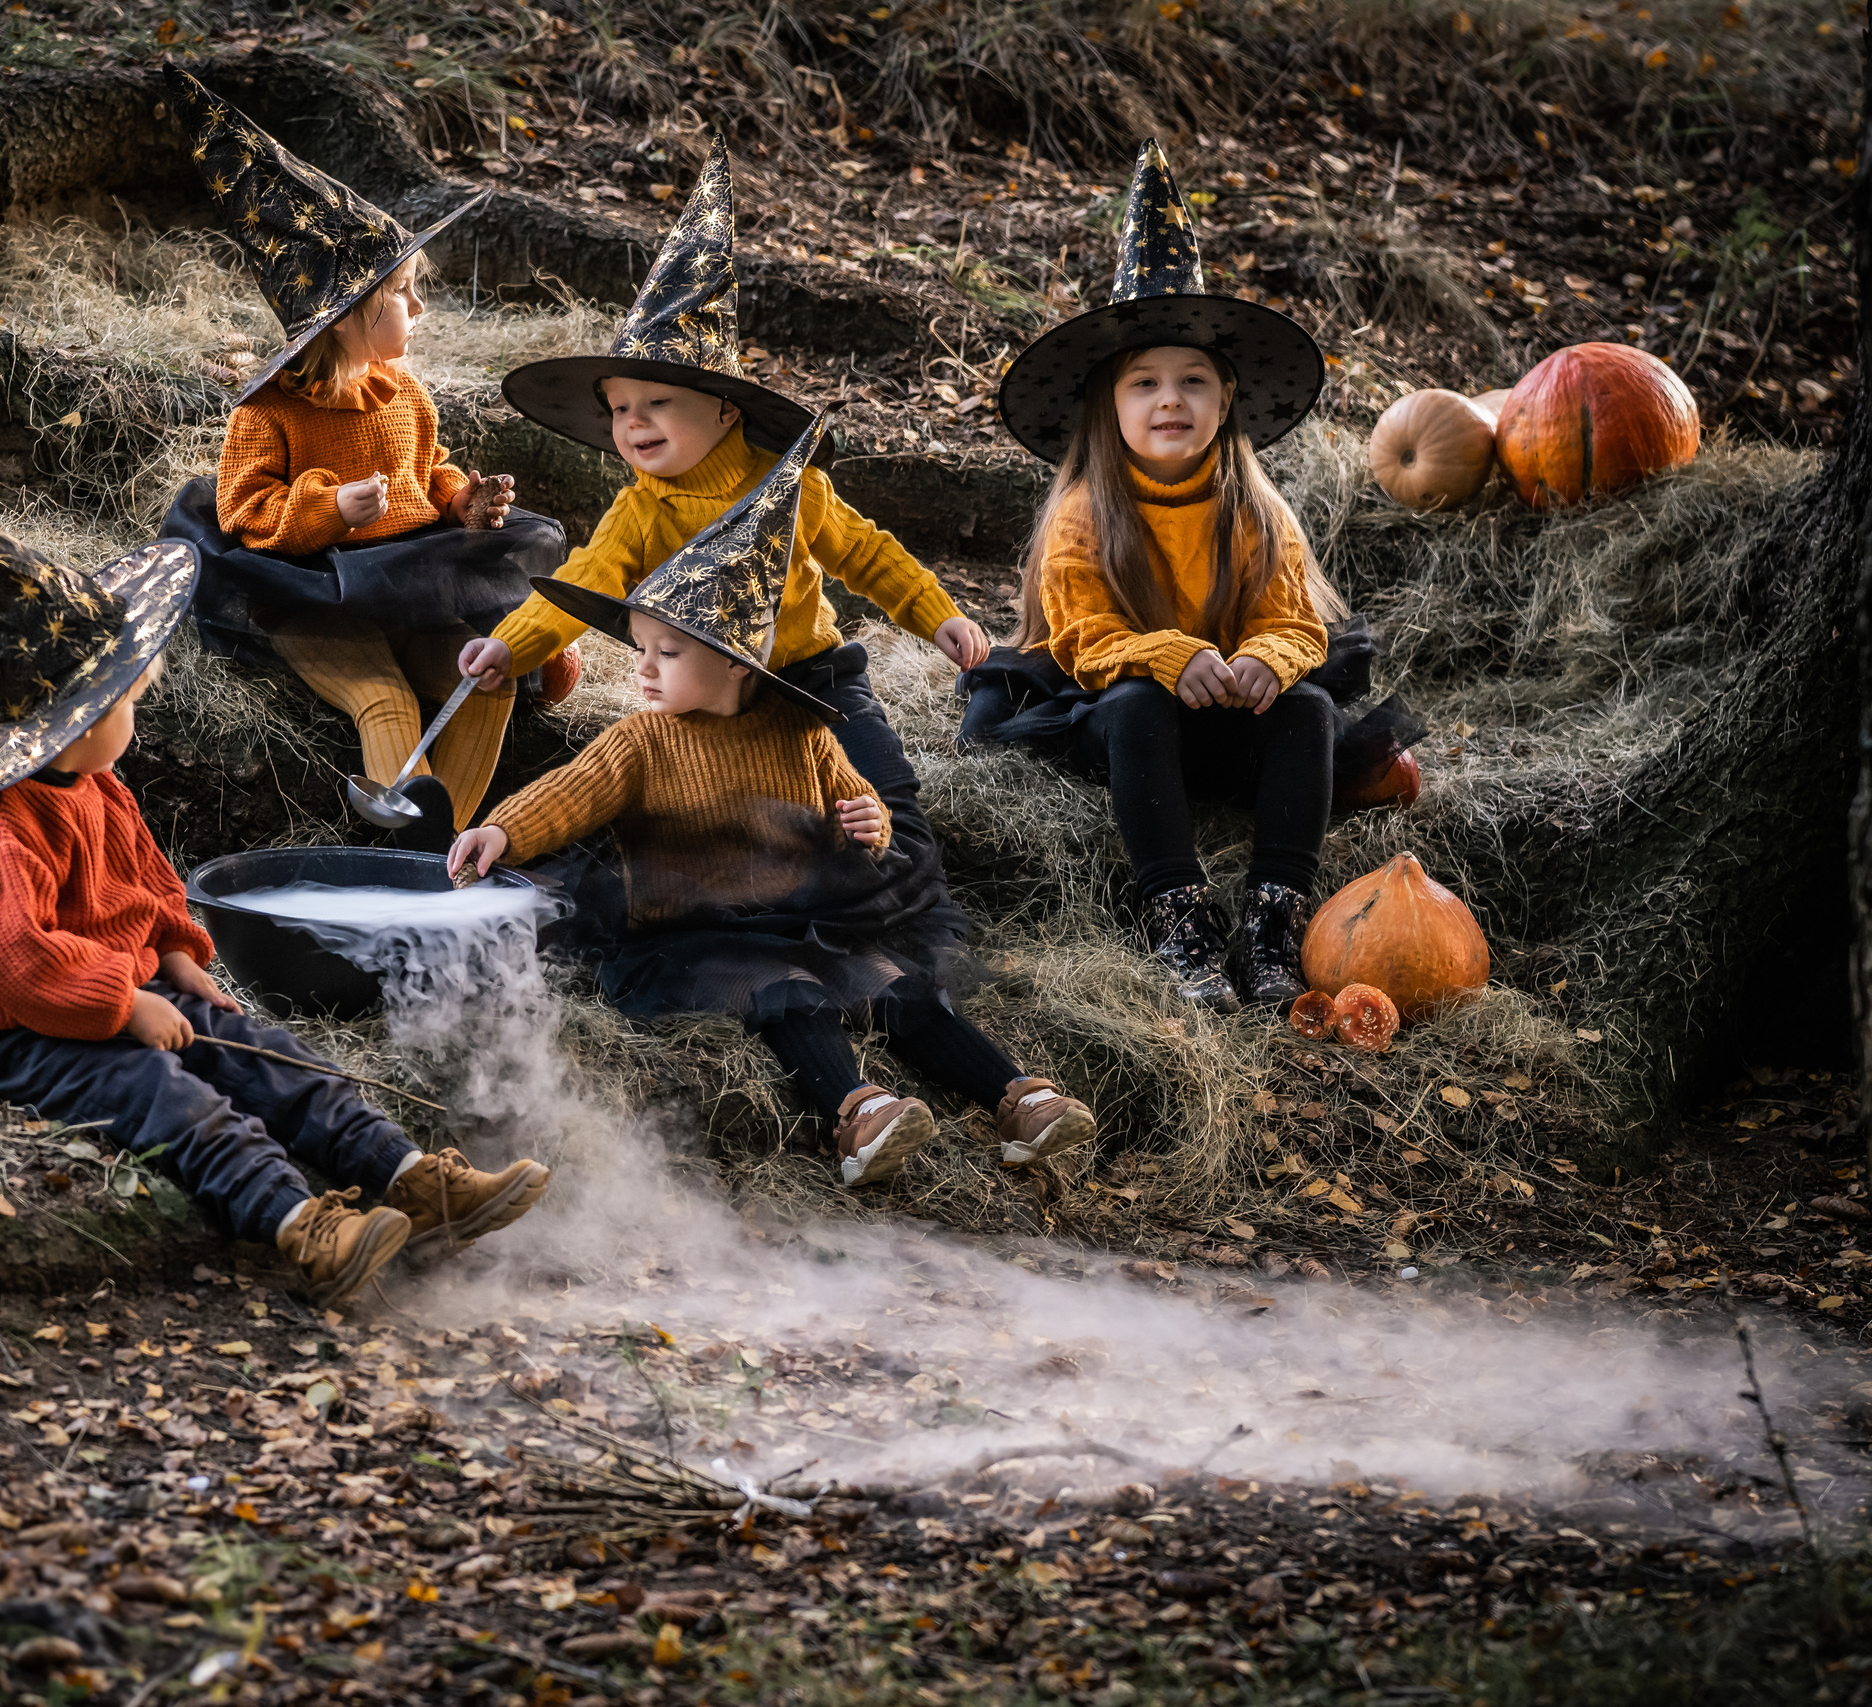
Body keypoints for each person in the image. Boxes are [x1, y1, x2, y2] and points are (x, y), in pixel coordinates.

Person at [0, 451, 550, 1307]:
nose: (134, 718)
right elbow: (22, 966)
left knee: (268, 1055)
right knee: (163, 1096)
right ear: (72, 725)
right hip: (21, 1032)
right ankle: (303, 1227)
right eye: (127, 705)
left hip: (115, 987)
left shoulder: (95, 786)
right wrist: (127, 1004)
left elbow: (145, 886)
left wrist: (178, 961)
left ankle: (404, 1174)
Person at [449, 416, 1095, 1188]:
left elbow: (856, 795)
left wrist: (870, 819)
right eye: (642, 650)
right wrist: (500, 830)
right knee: (789, 998)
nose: (646, 671)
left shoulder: (803, 732)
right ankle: (858, 1112)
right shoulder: (642, 741)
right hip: (697, 933)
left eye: (669, 654)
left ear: (739, 669)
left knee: (900, 988)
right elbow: (566, 797)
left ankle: (1019, 1098)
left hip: (798, 919)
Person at [461, 136, 985, 936]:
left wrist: (937, 613)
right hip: (705, 691)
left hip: (809, 681)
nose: (632, 424)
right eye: (619, 407)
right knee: (699, 819)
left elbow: (867, 552)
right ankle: (745, 926)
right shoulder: (641, 508)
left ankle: (917, 934)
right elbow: (593, 576)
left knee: (880, 802)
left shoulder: (791, 486)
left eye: (656, 404)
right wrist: (513, 646)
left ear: (725, 408)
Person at [964, 139, 1419, 1014]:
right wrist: (1171, 656)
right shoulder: (1084, 512)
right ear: (1110, 406)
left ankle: (1273, 914)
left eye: (1192, 381)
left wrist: (1267, 661)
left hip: (1229, 724)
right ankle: (1179, 914)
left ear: (1225, 400)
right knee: (1135, 703)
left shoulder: (1254, 508)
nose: (1169, 399)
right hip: (1125, 725)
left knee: (1313, 707)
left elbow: (1295, 622)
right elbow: (1086, 639)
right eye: (1144, 383)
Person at [156, 68, 570, 851]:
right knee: (385, 701)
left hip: (405, 590)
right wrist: (325, 508)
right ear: (346, 316)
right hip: (310, 598)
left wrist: (459, 502)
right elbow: (247, 512)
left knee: (483, 682)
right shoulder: (268, 411)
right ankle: (399, 858)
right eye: (406, 292)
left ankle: (447, 846)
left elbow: (429, 468)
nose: (420, 308)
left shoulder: (404, 397)